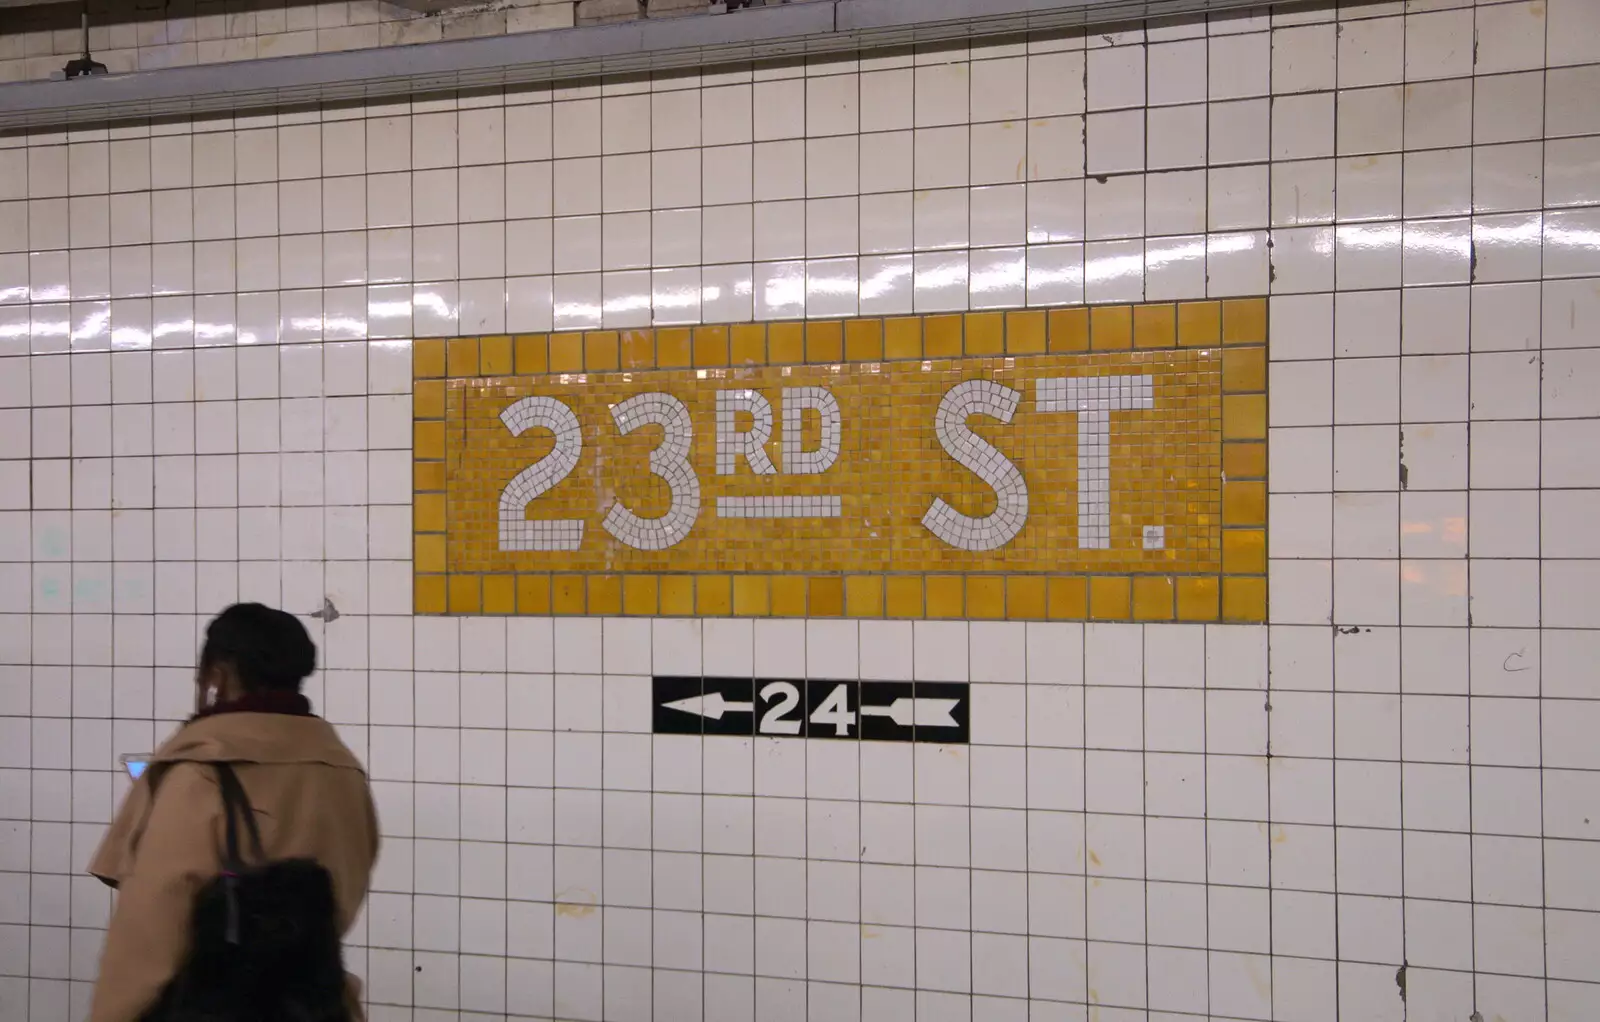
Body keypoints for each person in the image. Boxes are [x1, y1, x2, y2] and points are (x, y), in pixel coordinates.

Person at [87, 603, 381, 1022]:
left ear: (218, 675)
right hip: (315, 1007)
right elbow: (344, 893)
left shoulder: (201, 774)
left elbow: (149, 932)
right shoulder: (342, 772)